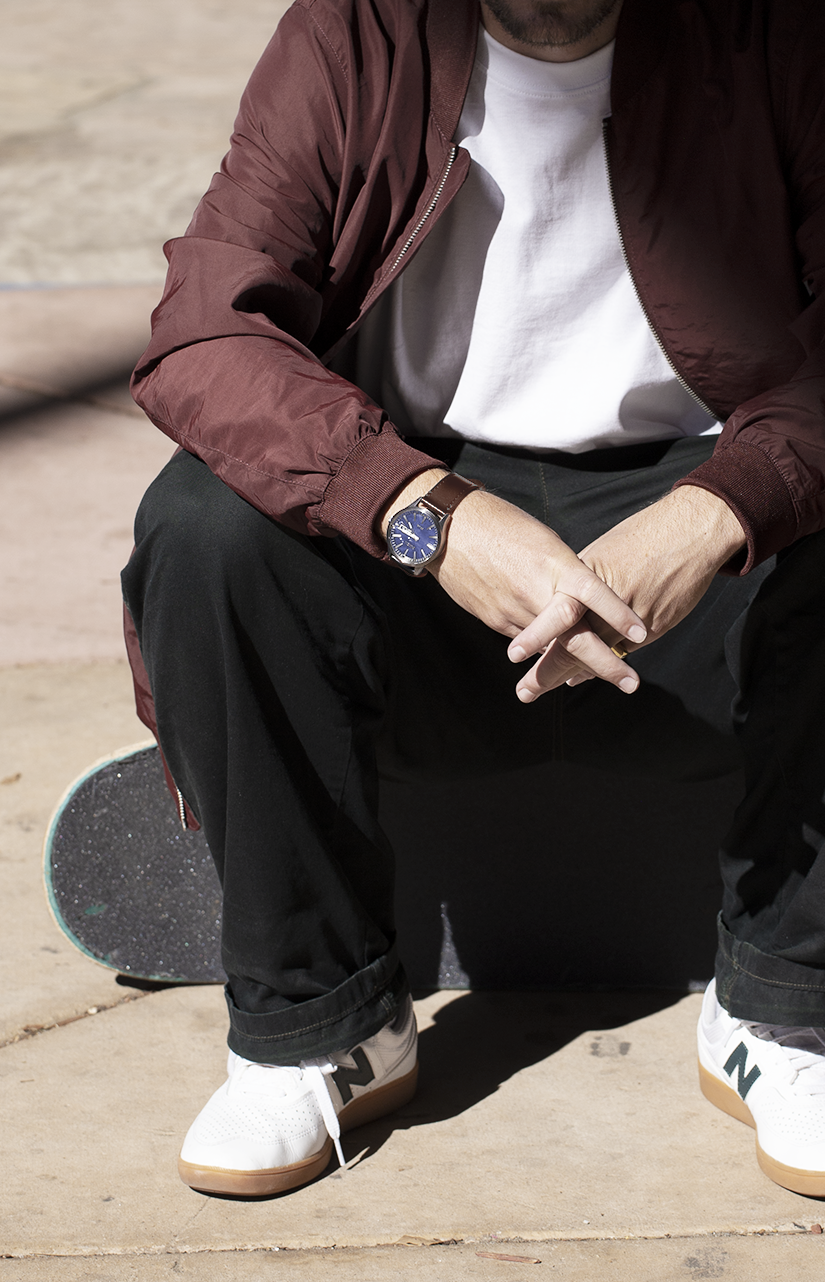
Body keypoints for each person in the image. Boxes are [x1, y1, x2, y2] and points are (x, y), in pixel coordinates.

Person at [121, 0, 825, 1199]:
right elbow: (202, 335)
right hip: (430, 551)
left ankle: (791, 1014)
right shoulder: (357, 37)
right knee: (206, 526)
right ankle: (322, 1024)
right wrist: (424, 511)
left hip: (707, 548)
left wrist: (724, 509)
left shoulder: (773, 36)